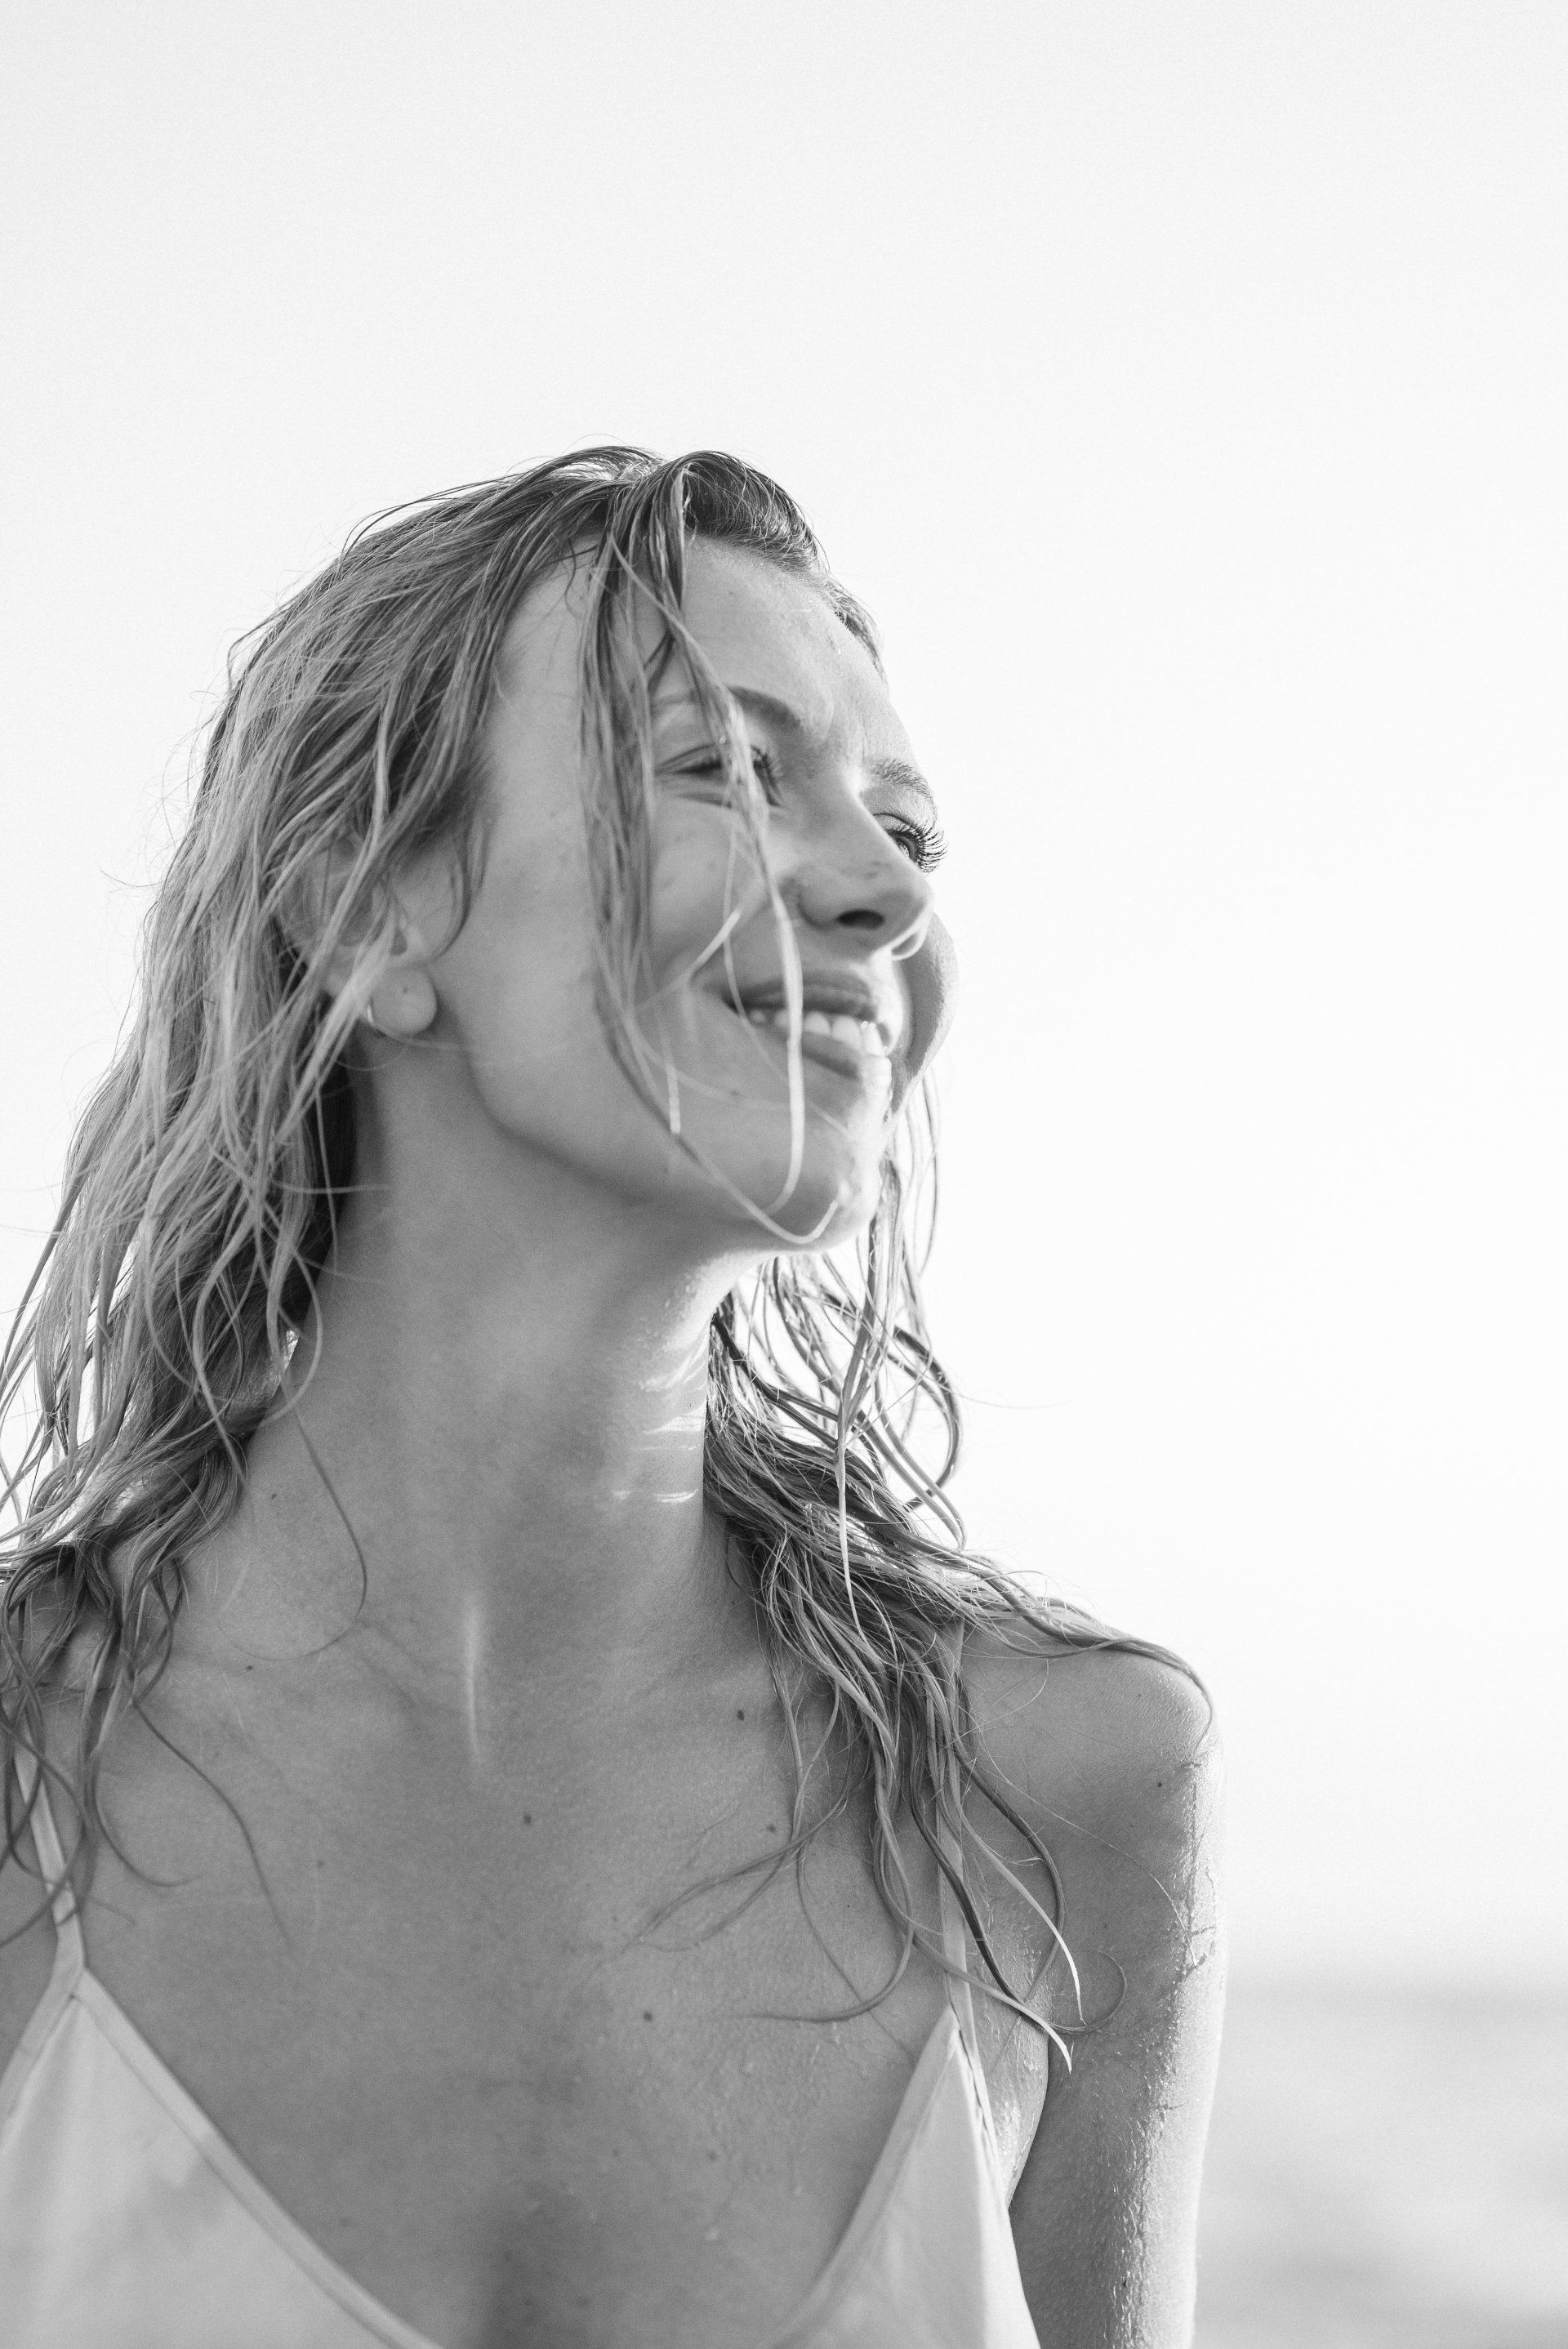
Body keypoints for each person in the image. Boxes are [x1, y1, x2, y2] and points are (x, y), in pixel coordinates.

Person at [0, 448, 1224, 2347]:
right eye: (725, 766)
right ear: (372, 915)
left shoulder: (1063, 1791)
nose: (887, 888)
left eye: (911, 827)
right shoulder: (23, 1775)